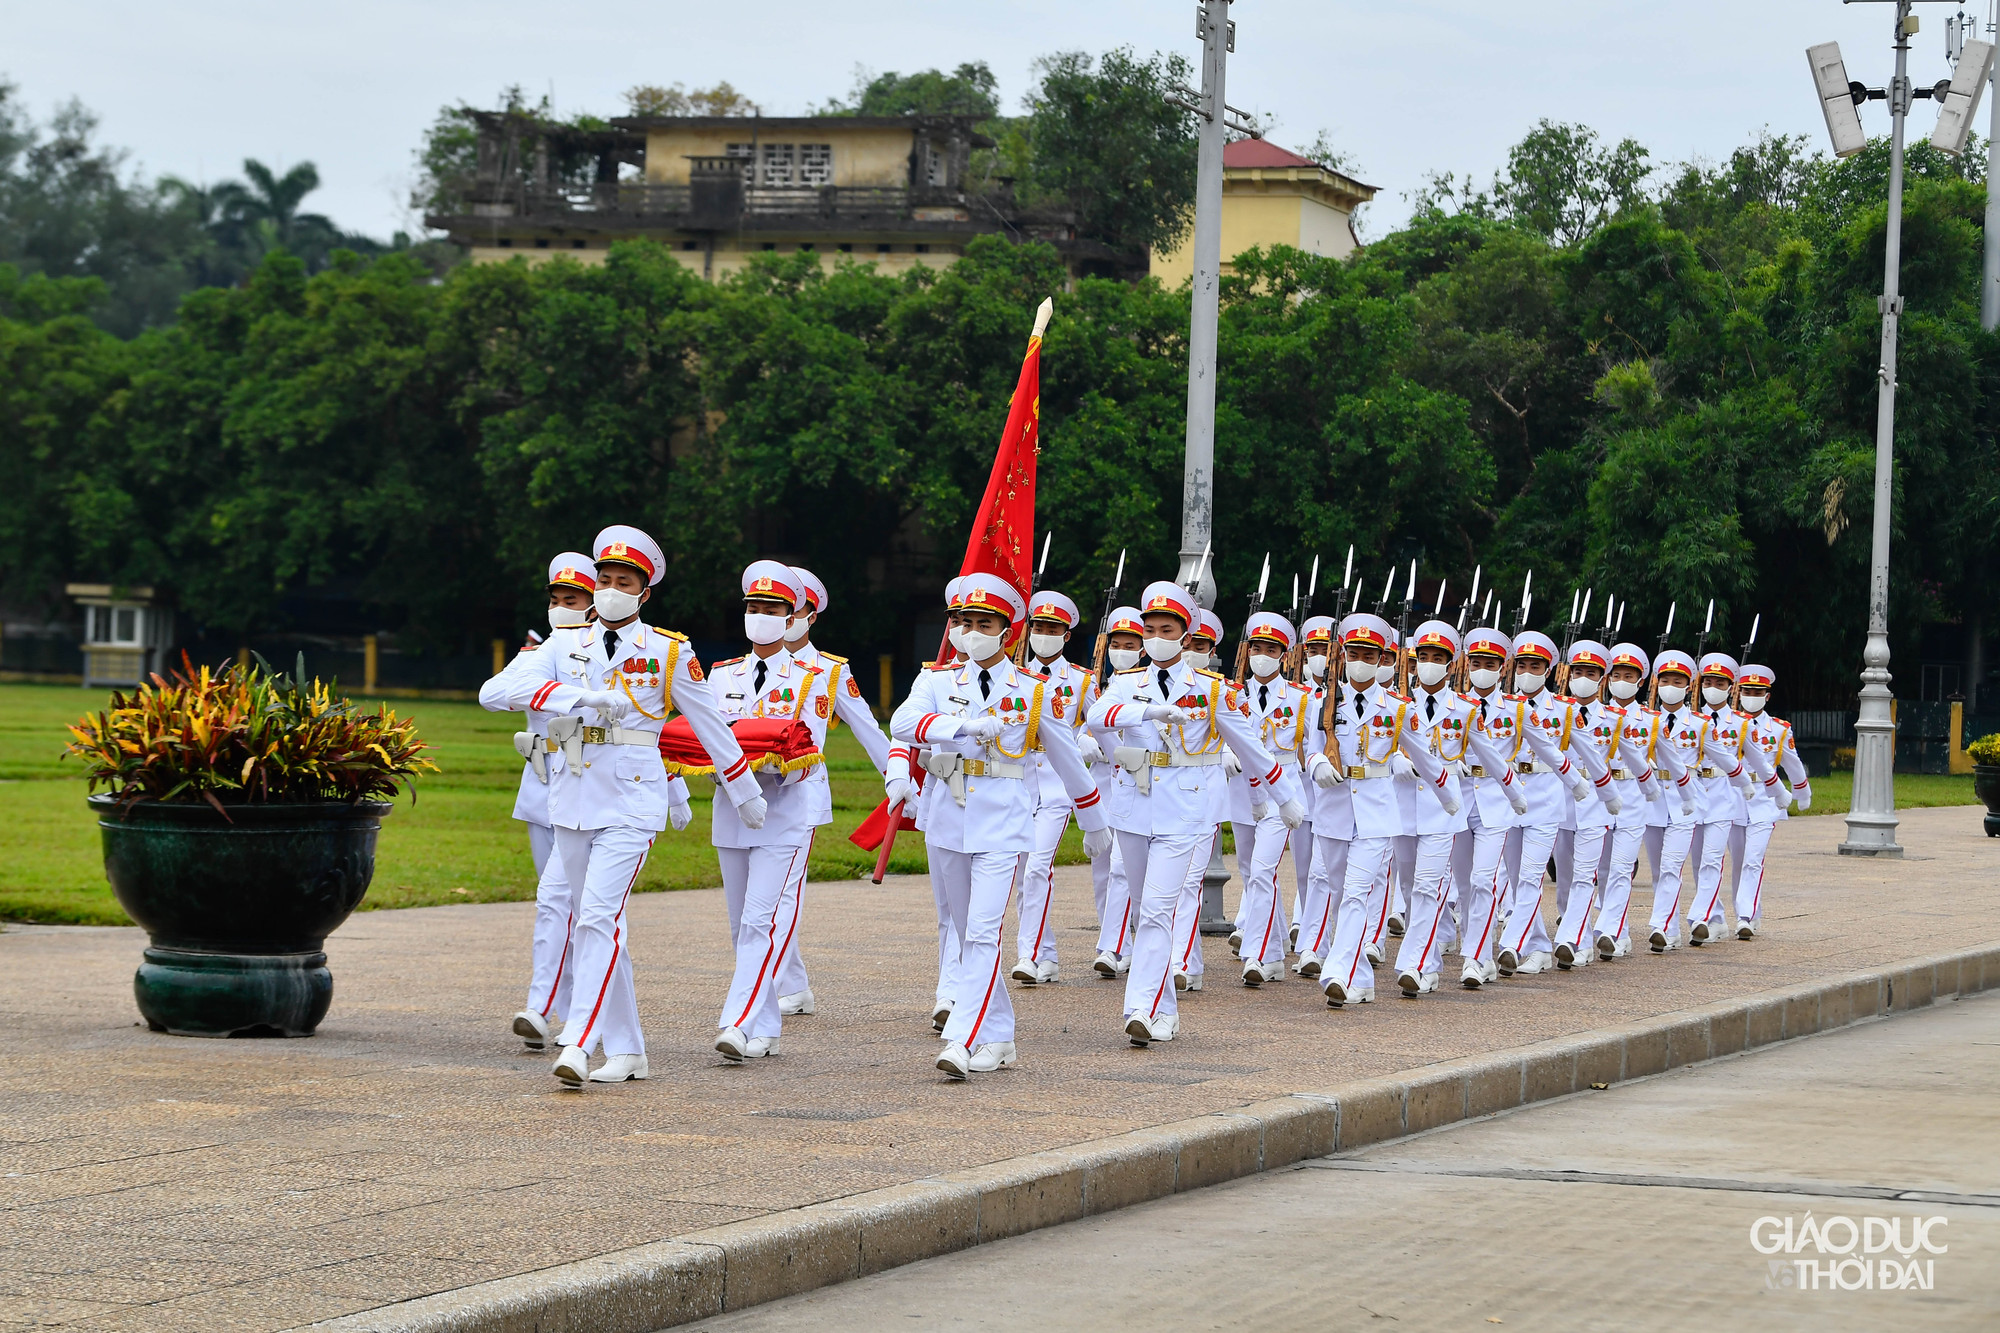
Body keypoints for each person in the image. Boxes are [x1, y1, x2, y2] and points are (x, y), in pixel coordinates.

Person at [496, 525, 768, 1087]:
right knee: (596, 923)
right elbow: (497, 693)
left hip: (631, 799)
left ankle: (579, 1040)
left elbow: (710, 724)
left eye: (625, 582)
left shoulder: (669, 650)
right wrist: (579, 696)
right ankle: (628, 1051)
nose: (611, 590)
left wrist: (744, 790)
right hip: (571, 798)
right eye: (605, 580)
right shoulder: (563, 643)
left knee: (597, 916)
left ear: (644, 593)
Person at [891, 574, 1110, 1078]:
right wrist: (960, 726)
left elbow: (1067, 757)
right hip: (947, 817)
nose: (972, 632)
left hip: (1003, 821)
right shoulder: (937, 681)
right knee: (966, 932)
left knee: (984, 931)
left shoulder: (1033, 691)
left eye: (984, 624)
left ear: (1007, 632)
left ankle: (963, 1039)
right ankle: (999, 1036)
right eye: (964, 622)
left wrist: (1092, 817)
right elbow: (901, 724)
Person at [1088, 580, 1305, 1044]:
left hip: (1185, 809)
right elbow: (1096, 718)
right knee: (1145, 909)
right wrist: (1148, 714)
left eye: (1166, 630)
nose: (1156, 639)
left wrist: (1284, 795)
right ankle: (1163, 1010)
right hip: (1134, 805)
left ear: (1186, 637)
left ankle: (1141, 1007)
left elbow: (1251, 746)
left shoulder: (1212, 690)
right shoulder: (1126, 684)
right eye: (1149, 630)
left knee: (1157, 909)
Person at [702, 561, 841, 1063]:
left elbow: (809, 753)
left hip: (783, 812)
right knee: (739, 925)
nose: (760, 616)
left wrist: (766, 767)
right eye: (753, 607)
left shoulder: (811, 679)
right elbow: (705, 738)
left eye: (771, 609)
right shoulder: (721, 675)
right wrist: (726, 773)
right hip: (731, 811)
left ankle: (738, 1023)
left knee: (760, 921)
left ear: (790, 618)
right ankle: (766, 1028)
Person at [770, 565, 907, 1018]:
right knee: (760, 893)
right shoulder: (750, 666)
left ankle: (769, 984)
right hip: (753, 792)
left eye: (795, 609)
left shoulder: (829, 671)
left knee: (783, 892)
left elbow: (867, 729)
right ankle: (792, 984)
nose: (784, 616)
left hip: (802, 792)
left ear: (811, 617)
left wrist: (897, 774)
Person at [1303, 612, 1455, 1007]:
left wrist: (1446, 795)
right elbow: (1309, 747)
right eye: (1354, 653)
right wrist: (1317, 765)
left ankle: (1338, 972)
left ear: (1381, 658)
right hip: (1334, 809)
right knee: (1341, 894)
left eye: (1369, 655)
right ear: (1343, 655)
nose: (1360, 661)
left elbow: (1424, 755)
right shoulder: (1322, 701)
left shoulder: (1397, 707)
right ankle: (1361, 978)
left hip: (1376, 811)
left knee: (1356, 894)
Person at [480, 551, 597, 1049]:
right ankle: (556, 1010)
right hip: (542, 786)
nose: (560, 608)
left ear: (593, 604)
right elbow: (490, 694)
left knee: (575, 905)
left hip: (592, 787)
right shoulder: (535, 655)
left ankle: (557, 1008)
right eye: (554, 600)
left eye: (571, 600)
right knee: (555, 903)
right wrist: (555, 693)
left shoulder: (605, 655)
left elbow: (639, 725)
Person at [1493, 632, 1600, 978]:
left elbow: (1590, 756)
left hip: (1547, 798)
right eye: (1522, 665)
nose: (1527, 672)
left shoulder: (1565, 711)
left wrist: (1605, 795)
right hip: (1510, 798)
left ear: (1549, 670)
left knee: (1531, 876)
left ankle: (1512, 942)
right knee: (1515, 876)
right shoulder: (1501, 706)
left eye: (1535, 666)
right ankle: (1538, 946)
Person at [1011, 589, 1097, 986]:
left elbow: (1098, 720)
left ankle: (1027, 955)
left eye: (1052, 629)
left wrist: (1088, 739)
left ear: (1066, 635)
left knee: (1037, 868)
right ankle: (1045, 955)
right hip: (1018, 785)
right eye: (1039, 627)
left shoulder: (1080, 680)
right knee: (1021, 875)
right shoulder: (1014, 675)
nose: (1043, 635)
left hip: (1058, 786)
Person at [1229, 612, 1312, 986]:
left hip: (1283, 792)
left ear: (1284, 654)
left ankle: (1257, 953)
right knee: (1251, 872)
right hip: (1243, 791)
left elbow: (1316, 744)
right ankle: (1275, 950)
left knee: (1263, 870)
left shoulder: (1300, 698)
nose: (1261, 656)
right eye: (1256, 648)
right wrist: (1225, 753)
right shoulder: (1231, 695)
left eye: (1270, 650)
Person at [1452, 626, 1531, 988]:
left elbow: (1544, 747)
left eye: (1490, 664)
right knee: (1464, 885)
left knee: (1483, 879)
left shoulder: (1516, 708)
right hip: (1458, 799)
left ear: (1502, 668)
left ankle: (1475, 957)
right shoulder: (1453, 705)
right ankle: (1479, 951)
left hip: (1497, 801)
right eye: (1476, 663)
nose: (1482, 670)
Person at [1684, 653, 1775, 945]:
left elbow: (1758, 761)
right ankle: (1716, 919)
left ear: (1730, 687)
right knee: (1698, 862)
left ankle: (1728, 916)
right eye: (1708, 683)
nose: (1712, 688)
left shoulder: (1741, 723)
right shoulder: (1689, 719)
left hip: (1728, 795)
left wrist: (1783, 790)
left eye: (1719, 683)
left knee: (1722, 860)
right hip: (1695, 793)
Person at [1733, 663, 1812, 938]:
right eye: (1747, 691)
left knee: (1753, 859)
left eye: (1758, 692)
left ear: (1767, 696)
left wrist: (1802, 792)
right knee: (1738, 861)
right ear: (1739, 693)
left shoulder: (1778, 729)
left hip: (1765, 797)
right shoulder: (1727, 724)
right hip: (1733, 797)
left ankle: (1744, 916)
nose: (1751, 696)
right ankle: (1749, 911)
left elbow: (1792, 762)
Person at [1089, 606, 1147, 978]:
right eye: (1116, 644)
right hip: (1103, 782)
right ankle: (1116, 941)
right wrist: (1084, 742)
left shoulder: (1141, 685)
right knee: (1105, 870)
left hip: (1136, 783)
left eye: (1129, 645)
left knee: (1122, 868)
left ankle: (1116, 946)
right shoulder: (1094, 682)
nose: (1121, 652)